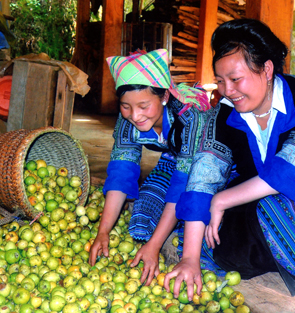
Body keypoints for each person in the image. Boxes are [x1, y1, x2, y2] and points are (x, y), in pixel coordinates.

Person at [164, 18, 295, 309]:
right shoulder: (223, 116)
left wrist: (222, 200)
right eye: (221, 81)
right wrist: (189, 259)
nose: (227, 90)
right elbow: (203, 177)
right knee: (208, 234)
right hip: (252, 196)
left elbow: (291, 171)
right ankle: (277, 256)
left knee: (274, 213)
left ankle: (294, 258)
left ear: (267, 69)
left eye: (235, 79)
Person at [89, 49, 212, 285]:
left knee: (198, 224)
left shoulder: (190, 117)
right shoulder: (127, 122)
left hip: (209, 166)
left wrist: (155, 245)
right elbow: (121, 173)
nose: (135, 115)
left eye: (144, 106)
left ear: (164, 96)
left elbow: (183, 183)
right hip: (174, 158)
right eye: (126, 106)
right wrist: (103, 231)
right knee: (143, 214)